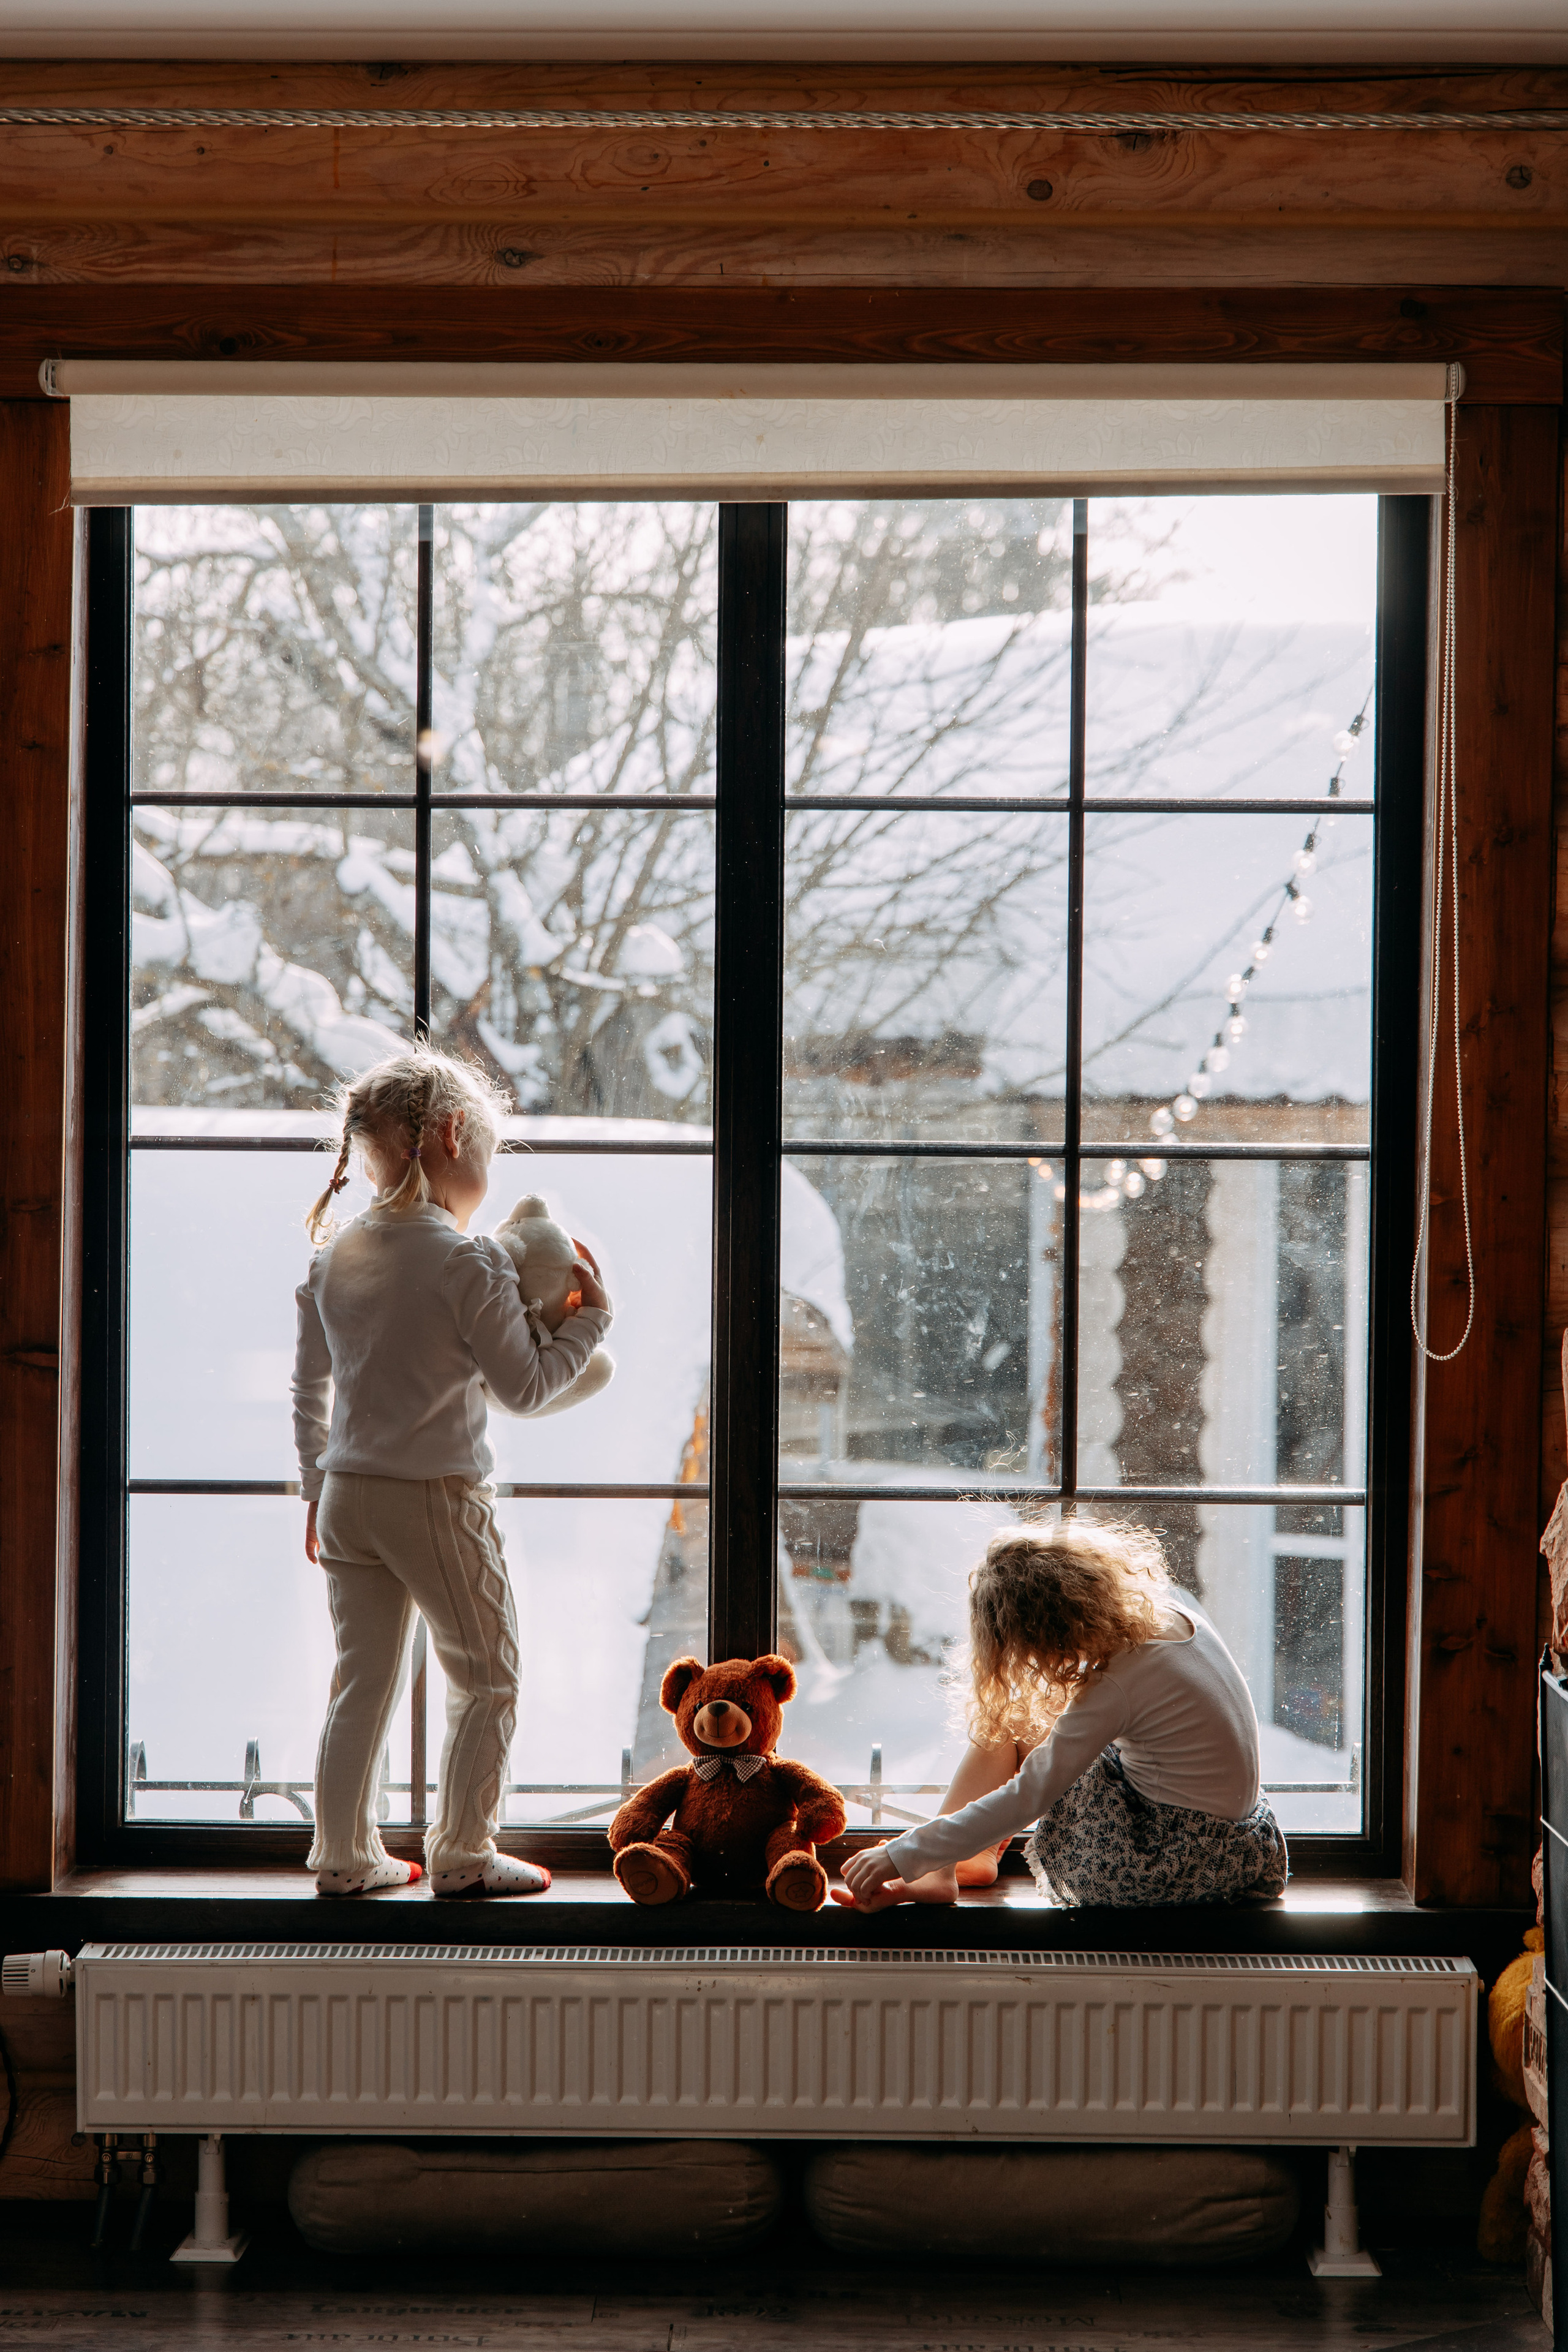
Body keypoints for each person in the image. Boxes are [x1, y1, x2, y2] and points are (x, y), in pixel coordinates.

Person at [292, 1046, 612, 1899]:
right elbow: (528, 1387)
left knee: (361, 1680)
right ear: (451, 1135)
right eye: (487, 1157)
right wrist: (592, 1322)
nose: (487, 1177)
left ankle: (344, 1856)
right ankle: (464, 1853)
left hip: (348, 1495)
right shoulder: (467, 1261)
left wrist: (314, 1488)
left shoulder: (335, 1256)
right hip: (433, 1494)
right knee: (489, 1673)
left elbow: (309, 1388)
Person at [835, 1518, 1287, 1913]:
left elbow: (1029, 1796)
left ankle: (934, 1869)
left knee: (1012, 1724)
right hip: (1241, 1850)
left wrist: (901, 1854)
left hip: (1165, 1861)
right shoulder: (1175, 1619)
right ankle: (959, 1857)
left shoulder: (1116, 1684)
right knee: (1044, 1725)